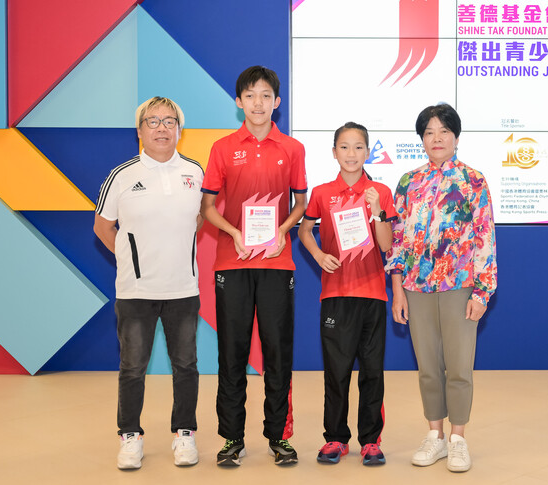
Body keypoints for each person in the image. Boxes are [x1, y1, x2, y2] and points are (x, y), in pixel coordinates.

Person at [200, 66, 307, 467]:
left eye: (265, 95)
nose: (258, 102)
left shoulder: (292, 149)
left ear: (276, 102)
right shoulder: (223, 148)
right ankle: (231, 437)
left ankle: (279, 436)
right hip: (233, 260)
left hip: (278, 263)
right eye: (250, 95)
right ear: (238, 102)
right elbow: (208, 207)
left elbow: (300, 203)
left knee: (278, 351)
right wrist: (235, 233)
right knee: (232, 351)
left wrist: (282, 230)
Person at [386, 102, 497, 473]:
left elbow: (485, 239)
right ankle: (434, 436)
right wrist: (398, 290)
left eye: (444, 131)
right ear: (422, 139)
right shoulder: (407, 182)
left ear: (456, 137)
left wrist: (482, 293)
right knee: (428, 368)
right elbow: (398, 240)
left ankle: (458, 439)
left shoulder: (473, 181)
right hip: (416, 288)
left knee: (460, 368)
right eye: (430, 132)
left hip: (460, 288)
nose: (437, 138)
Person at [94, 97, 204, 470]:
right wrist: (129, 260)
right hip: (135, 292)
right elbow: (103, 226)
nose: (161, 127)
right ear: (140, 129)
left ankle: (184, 434)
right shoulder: (121, 175)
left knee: (186, 365)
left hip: (183, 289)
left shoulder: (195, 172)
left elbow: (201, 220)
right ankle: (130, 436)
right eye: (152, 121)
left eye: (169, 121)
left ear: (179, 129)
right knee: (132, 367)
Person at [298, 122, 395, 466]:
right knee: (336, 371)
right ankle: (336, 438)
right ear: (334, 152)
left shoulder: (380, 191)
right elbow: (305, 231)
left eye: (358, 147)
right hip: (336, 294)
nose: (351, 154)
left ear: (368, 152)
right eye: (344, 147)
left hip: (373, 295)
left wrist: (376, 212)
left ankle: (370, 440)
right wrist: (318, 255)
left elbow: (387, 246)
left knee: (372, 371)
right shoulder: (323, 193)